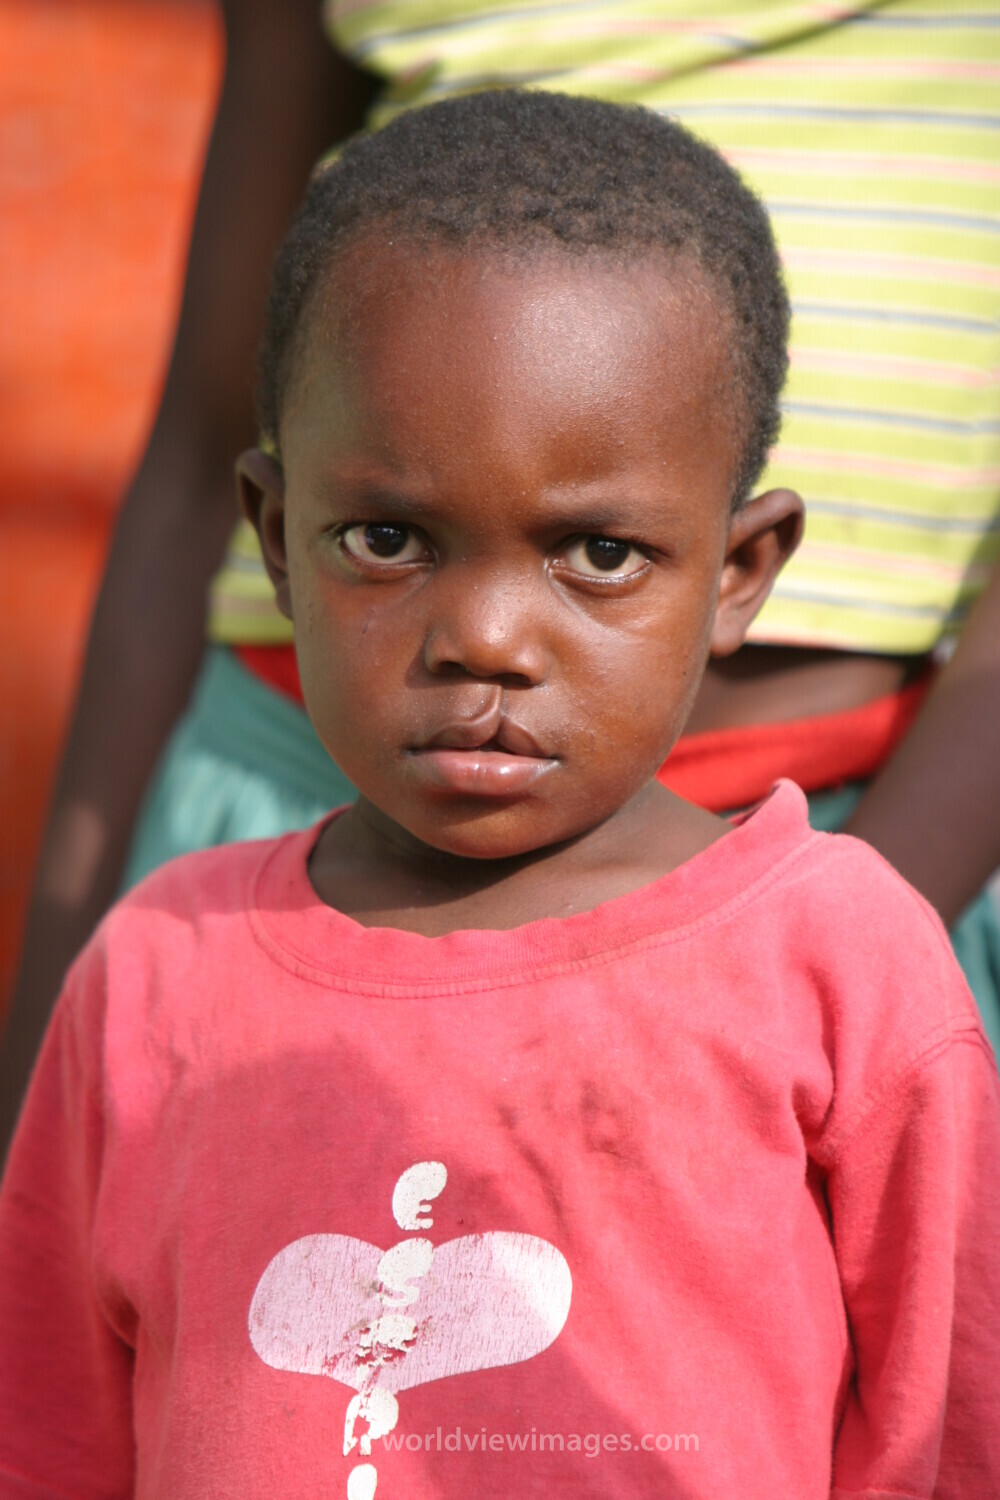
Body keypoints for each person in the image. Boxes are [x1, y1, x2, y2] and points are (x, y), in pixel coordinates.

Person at [1, 92, 997, 1499]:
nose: (486, 638)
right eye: (391, 538)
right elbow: (55, 1436)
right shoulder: (158, 975)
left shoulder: (847, 969)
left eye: (597, 553)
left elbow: (942, 1437)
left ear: (739, 575)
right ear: (279, 541)